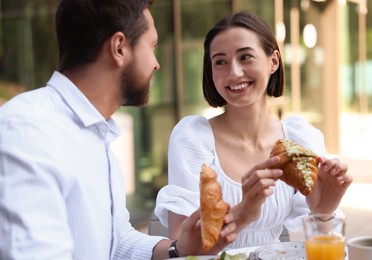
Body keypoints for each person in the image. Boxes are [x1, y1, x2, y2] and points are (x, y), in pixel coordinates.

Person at [0, 1, 237, 259]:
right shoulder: (28, 131)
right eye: (152, 46)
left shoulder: (97, 137)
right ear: (119, 47)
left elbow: (118, 241)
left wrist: (178, 248)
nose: (156, 64)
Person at [155, 11, 353, 249]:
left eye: (246, 57)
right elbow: (184, 247)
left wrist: (323, 211)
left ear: (274, 61)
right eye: (220, 61)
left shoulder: (300, 140)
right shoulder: (192, 138)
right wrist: (244, 211)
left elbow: (323, 249)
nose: (234, 72)